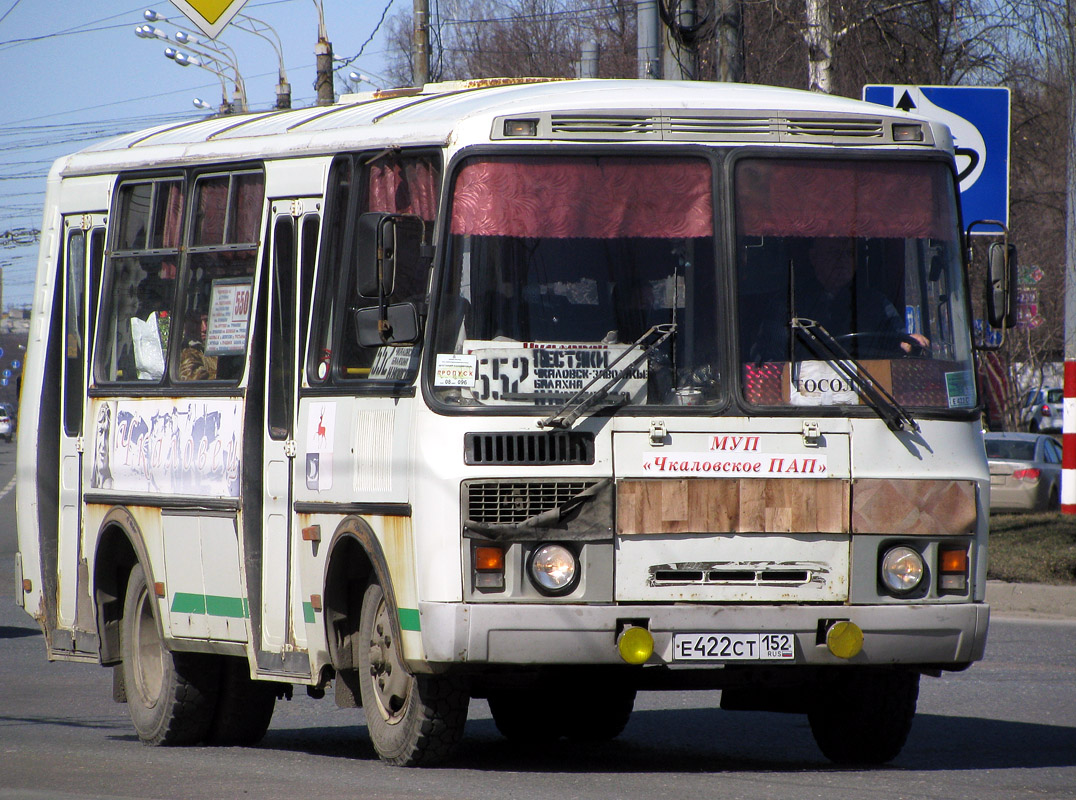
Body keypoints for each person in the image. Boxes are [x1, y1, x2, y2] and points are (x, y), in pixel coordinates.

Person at [795, 237, 929, 356]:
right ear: (814, 257)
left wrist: (909, 341)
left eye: (849, 253)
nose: (842, 261)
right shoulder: (794, 304)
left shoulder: (876, 304)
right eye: (833, 253)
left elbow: (897, 337)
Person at [179, 313, 217, 380]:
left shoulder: (216, 348)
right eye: (198, 323)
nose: (204, 328)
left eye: (207, 321)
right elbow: (193, 379)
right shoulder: (188, 353)